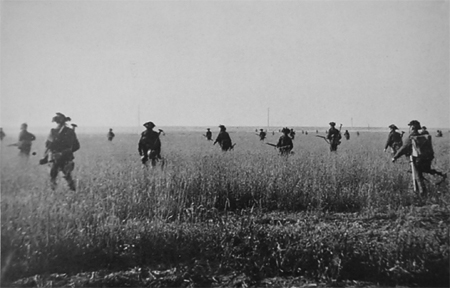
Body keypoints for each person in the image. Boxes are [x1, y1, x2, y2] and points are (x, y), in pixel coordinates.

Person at [392, 120, 446, 196]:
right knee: (425, 170)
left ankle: (422, 194)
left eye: (410, 126)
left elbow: (403, 148)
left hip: (417, 160)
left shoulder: (411, 137)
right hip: (427, 158)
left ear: (412, 127)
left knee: (418, 176)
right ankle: (441, 175)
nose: (409, 128)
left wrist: (395, 157)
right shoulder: (423, 136)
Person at [40, 113, 80, 191]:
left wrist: (46, 157)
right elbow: (76, 146)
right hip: (65, 158)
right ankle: (73, 192)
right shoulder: (70, 132)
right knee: (68, 178)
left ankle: (54, 194)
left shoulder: (53, 132)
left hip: (55, 158)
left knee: (53, 178)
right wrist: (66, 152)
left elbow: (48, 146)